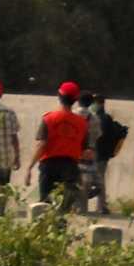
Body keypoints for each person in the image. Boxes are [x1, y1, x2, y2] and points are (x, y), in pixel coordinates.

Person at [28, 81, 88, 209]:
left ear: (59, 96)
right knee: (64, 206)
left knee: (44, 205)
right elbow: (85, 151)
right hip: (70, 167)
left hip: (49, 166)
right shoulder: (82, 123)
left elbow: (41, 145)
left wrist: (29, 167)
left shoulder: (48, 118)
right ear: (75, 100)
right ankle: (61, 227)